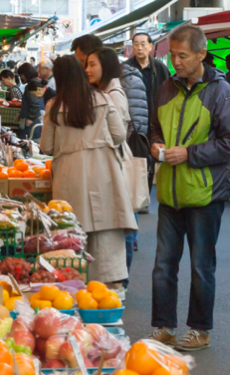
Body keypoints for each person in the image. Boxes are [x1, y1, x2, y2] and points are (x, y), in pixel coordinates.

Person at [148, 23, 230, 352]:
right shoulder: (166, 88)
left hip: (206, 194)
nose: (177, 62)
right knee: (163, 263)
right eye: (173, 55)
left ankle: (200, 329)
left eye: (183, 56)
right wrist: (156, 145)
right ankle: (163, 327)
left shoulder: (221, 92)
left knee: (202, 265)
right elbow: (153, 129)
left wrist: (190, 154)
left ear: (202, 54)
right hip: (170, 192)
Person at [40, 56, 136, 286]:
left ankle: (74, 283)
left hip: (69, 174)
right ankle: (109, 286)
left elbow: (46, 147)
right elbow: (119, 135)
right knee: (106, 230)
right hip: (104, 171)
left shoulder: (54, 106)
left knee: (72, 232)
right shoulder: (103, 98)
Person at [85, 47, 143, 290]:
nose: (87, 70)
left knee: (122, 225)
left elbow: (117, 135)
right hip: (109, 165)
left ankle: (121, 282)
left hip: (116, 165)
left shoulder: (114, 95)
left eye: (92, 65)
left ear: (106, 67)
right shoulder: (102, 92)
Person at [125, 32, 171, 199]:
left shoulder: (160, 68)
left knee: (151, 157)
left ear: (151, 46)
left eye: (143, 43)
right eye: (136, 44)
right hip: (135, 121)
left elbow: (169, 93)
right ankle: (134, 196)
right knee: (135, 157)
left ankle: (144, 196)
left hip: (155, 119)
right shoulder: (126, 69)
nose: (140, 47)